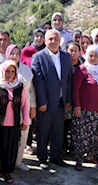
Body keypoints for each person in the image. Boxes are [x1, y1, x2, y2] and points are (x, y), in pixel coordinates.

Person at [31, 30, 73, 169]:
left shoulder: (66, 56)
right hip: (46, 102)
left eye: (56, 39)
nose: (53, 42)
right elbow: (38, 81)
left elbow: (68, 79)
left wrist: (68, 100)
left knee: (58, 130)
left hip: (61, 101)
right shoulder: (38, 57)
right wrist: (42, 102)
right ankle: (42, 158)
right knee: (43, 131)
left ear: (60, 40)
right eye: (50, 39)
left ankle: (56, 157)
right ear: (45, 40)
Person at [0, 60, 29, 184]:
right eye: (7, 71)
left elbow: (24, 104)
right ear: (3, 71)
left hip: (14, 123)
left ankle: (7, 172)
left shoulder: (19, 86)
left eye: (13, 71)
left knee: (11, 148)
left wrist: (26, 120)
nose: (10, 74)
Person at [72, 44, 98, 171]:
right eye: (90, 56)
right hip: (83, 110)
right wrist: (77, 106)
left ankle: (91, 156)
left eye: (95, 56)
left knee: (96, 135)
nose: (93, 58)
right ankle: (79, 159)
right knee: (81, 135)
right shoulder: (82, 70)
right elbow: (75, 89)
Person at [7, 44, 37, 172]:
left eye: (17, 54)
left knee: (23, 133)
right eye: (12, 53)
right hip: (8, 108)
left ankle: (18, 161)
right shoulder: (1, 69)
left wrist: (33, 106)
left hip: (25, 106)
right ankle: (6, 162)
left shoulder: (26, 70)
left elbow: (31, 90)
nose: (14, 56)